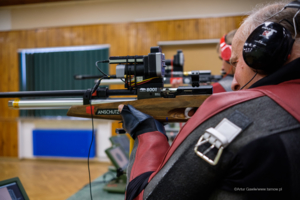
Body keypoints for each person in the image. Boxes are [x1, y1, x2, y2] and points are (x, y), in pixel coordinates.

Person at [119, 1, 300, 199]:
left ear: (263, 53)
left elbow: (147, 197)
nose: (234, 84)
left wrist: (146, 132)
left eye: (236, 62)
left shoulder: (233, 116)